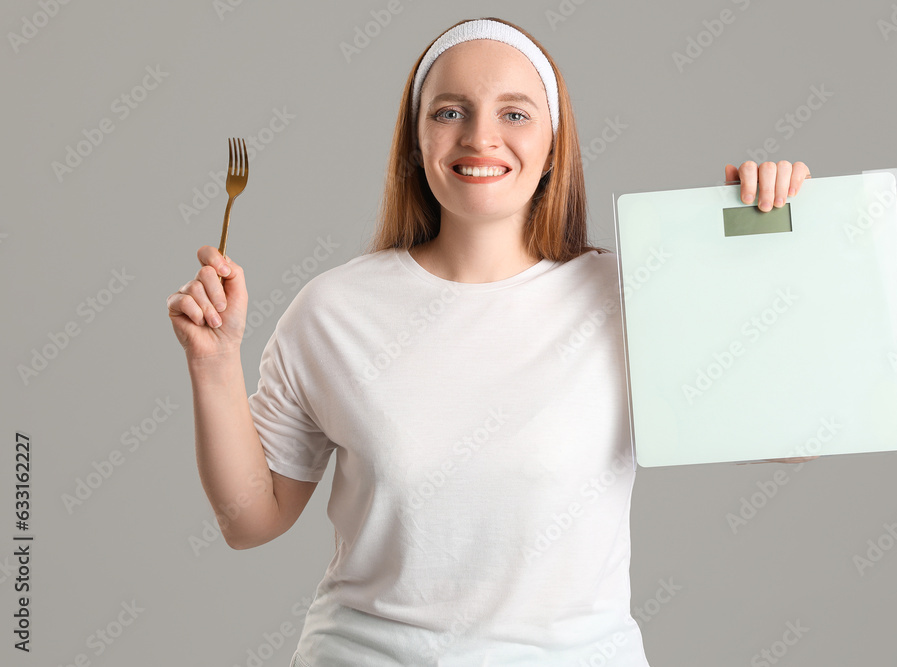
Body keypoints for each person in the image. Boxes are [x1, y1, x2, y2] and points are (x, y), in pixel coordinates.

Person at [166, 16, 812, 666]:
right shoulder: (332, 310)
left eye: (515, 114)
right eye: (450, 111)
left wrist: (764, 247)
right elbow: (251, 520)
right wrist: (214, 361)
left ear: (555, 144)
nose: (480, 136)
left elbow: (792, 440)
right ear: (415, 142)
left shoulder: (629, 298)